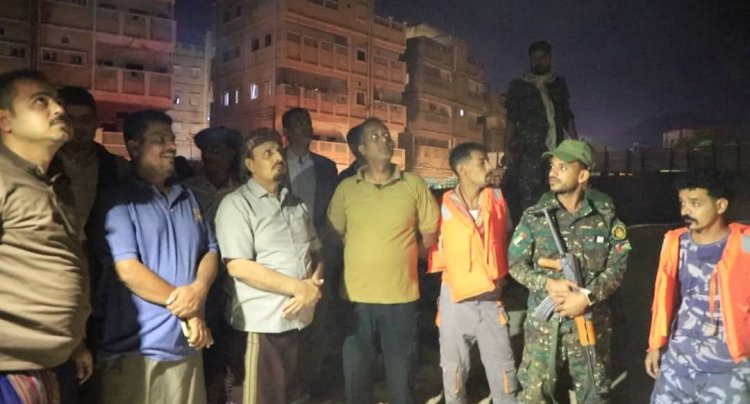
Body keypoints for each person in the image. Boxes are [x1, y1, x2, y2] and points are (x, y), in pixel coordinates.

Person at [93, 110, 217, 404]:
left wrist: (199, 290)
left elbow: (210, 250)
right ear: (134, 147)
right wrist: (189, 311)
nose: (171, 146)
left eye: (171, 139)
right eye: (160, 139)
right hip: (138, 350)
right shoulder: (118, 200)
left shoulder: (187, 197)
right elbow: (128, 271)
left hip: (187, 344)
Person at [327, 117, 440, 404]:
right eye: (376, 136)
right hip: (356, 299)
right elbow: (335, 234)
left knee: (402, 378)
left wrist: (404, 258)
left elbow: (429, 234)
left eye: (386, 135)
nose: (385, 140)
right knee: (356, 376)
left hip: (401, 297)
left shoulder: (413, 184)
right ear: (361, 149)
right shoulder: (347, 188)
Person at [508, 140, 630, 403]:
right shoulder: (534, 216)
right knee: (534, 396)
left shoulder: (605, 217)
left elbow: (618, 267)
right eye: (552, 166)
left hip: (590, 325)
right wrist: (546, 284)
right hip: (544, 328)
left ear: (583, 175)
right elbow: (515, 264)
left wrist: (586, 297)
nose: (553, 172)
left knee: (594, 395)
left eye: (563, 167)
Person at [215, 127, 323, 404]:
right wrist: (299, 288)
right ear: (249, 164)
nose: (277, 157)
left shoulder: (296, 204)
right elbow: (239, 266)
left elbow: (316, 252)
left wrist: (312, 284)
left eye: (278, 151)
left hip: (301, 322)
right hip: (262, 326)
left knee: (295, 396)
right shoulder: (236, 205)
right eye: (267, 153)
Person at [0, 69, 90, 402]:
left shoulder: (55, 185)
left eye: (57, 101)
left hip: (52, 365)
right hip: (9, 372)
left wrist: (74, 342)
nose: (58, 109)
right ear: (5, 120)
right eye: (41, 101)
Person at [646, 171, 750, 403]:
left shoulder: (745, 244)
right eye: (683, 203)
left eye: (695, 204)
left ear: (720, 205)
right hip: (678, 364)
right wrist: (655, 346)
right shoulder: (676, 243)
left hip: (729, 369)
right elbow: (664, 300)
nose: (686, 211)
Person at [428, 142, 518, 403]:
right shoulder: (441, 205)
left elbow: (510, 237)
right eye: (482, 162)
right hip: (455, 299)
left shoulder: (498, 199)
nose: (489, 167)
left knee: (504, 371)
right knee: (454, 372)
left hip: (491, 299)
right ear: (462, 169)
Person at [55, 85, 128, 404]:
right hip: (57, 277)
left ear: (96, 122)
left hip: (101, 278)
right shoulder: (45, 163)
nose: (79, 127)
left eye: (85, 119)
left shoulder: (113, 167)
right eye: (70, 119)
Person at [182, 126, 244, 404]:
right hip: (200, 279)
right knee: (206, 351)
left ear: (231, 154)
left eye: (217, 149)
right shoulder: (187, 191)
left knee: (234, 352)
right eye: (206, 149)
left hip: (236, 281)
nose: (209, 155)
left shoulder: (243, 191)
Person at [281, 107, 340, 400]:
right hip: (281, 256)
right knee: (285, 321)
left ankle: (309, 385)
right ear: (286, 131)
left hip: (319, 255)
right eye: (298, 123)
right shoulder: (274, 162)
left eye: (308, 122)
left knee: (318, 322)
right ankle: (284, 384)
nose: (306, 127)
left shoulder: (327, 167)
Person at [504, 41, 578, 223]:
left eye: (542, 57)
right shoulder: (520, 87)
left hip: (556, 150)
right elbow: (511, 119)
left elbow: (567, 117)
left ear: (549, 59)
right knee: (529, 197)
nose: (538, 61)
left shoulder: (557, 85)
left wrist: (576, 146)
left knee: (557, 191)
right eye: (534, 58)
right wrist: (506, 147)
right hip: (529, 151)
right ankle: (530, 233)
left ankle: (554, 231)